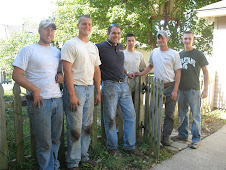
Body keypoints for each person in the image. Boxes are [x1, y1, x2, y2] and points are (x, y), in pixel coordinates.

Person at [12, 19, 64, 169]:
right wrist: (34, 89)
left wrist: (60, 74)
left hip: (57, 99)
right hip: (40, 102)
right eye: (46, 29)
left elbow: (59, 71)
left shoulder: (57, 51)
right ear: (39, 31)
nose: (49, 32)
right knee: (44, 142)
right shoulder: (28, 50)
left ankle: (54, 166)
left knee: (55, 140)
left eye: (52, 29)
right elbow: (16, 74)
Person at [61, 15, 101, 169]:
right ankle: (72, 162)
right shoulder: (71, 44)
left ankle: (84, 156)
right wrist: (71, 94)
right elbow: (67, 70)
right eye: (84, 24)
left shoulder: (93, 47)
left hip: (90, 89)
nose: (87, 26)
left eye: (89, 24)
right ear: (78, 25)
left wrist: (98, 92)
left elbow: (97, 71)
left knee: (87, 126)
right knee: (75, 128)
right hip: (76, 90)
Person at [96, 24, 142, 156]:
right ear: (108, 34)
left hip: (123, 84)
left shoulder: (120, 47)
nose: (116, 35)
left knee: (131, 115)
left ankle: (129, 146)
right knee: (110, 117)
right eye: (114, 33)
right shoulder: (99, 47)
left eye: (118, 33)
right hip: (109, 86)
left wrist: (126, 73)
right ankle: (113, 148)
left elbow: (120, 65)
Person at [135, 30, 181, 146]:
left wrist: (175, 90)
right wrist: (141, 74)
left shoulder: (174, 54)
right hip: (157, 87)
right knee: (155, 113)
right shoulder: (154, 52)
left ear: (167, 39)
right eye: (159, 38)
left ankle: (165, 138)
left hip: (170, 86)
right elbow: (150, 66)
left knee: (169, 114)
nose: (161, 40)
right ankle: (156, 136)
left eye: (163, 38)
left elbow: (178, 72)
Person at [171, 31, 209, 149]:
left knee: (196, 115)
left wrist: (206, 89)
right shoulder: (179, 55)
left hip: (194, 90)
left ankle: (196, 139)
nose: (187, 41)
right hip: (181, 89)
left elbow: (205, 71)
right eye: (185, 39)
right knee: (182, 113)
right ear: (182, 40)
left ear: (193, 40)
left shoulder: (198, 54)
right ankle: (182, 135)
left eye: (189, 39)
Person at [124, 33, 146, 101]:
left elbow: (144, 69)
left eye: (132, 40)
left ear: (135, 41)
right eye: (129, 41)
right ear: (125, 42)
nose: (131, 42)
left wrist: (144, 82)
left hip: (137, 84)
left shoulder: (139, 55)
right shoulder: (122, 54)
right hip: (125, 84)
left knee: (136, 105)